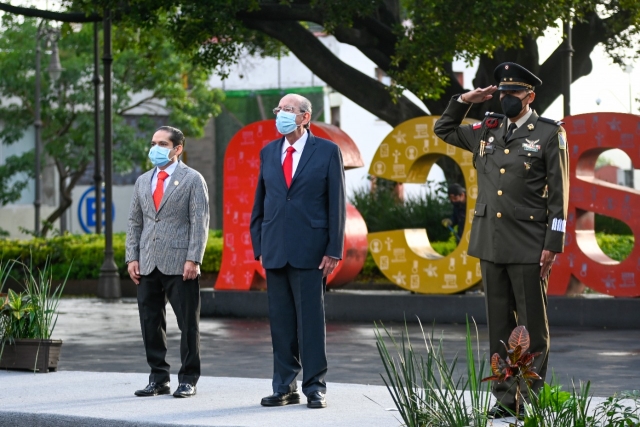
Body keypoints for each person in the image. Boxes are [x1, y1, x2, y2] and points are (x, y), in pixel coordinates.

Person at [434, 62, 569, 419]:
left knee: (531, 329)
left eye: (514, 93)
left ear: (530, 96)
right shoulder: (487, 129)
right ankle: (505, 398)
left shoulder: (548, 133)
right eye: (503, 92)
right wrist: (466, 99)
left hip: (529, 243)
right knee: (499, 327)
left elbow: (559, 196)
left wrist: (552, 244)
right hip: (491, 242)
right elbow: (443, 128)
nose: (507, 98)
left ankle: (526, 399)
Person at [250, 93, 346, 409]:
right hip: (275, 249)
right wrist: (259, 245)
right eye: (279, 109)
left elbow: (336, 204)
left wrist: (334, 248)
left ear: (305, 116)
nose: (281, 114)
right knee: (280, 322)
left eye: (288, 110)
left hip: (312, 250)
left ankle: (315, 386)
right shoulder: (268, 152)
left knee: (310, 323)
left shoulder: (327, 151)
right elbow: (261, 202)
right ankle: (284, 386)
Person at [126, 126, 209, 399]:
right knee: (150, 322)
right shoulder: (142, 181)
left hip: (180, 262)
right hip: (148, 262)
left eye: (162, 143)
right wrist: (132, 257)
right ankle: (158, 378)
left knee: (188, 324)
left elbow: (199, 223)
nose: (156, 147)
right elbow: (135, 222)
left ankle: (188, 379)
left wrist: (193, 258)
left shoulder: (192, 180)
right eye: (153, 142)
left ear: (178, 149)